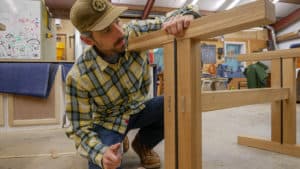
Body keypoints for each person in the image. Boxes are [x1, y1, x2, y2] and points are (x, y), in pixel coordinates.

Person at [65, 0, 201, 169]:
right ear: (88, 40)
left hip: (139, 108)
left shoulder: (134, 33)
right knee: (104, 165)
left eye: (117, 21)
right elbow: (79, 130)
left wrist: (185, 16)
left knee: (173, 104)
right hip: (108, 121)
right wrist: (101, 154)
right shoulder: (79, 77)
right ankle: (117, 138)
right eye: (107, 30)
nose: (120, 32)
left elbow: (187, 9)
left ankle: (143, 144)